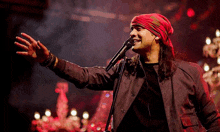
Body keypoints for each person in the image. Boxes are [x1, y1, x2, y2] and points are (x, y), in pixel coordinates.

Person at [15, 13, 220, 132]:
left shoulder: (189, 72)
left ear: (157, 35)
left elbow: (212, 119)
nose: (132, 33)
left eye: (139, 29)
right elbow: (86, 76)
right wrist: (49, 59)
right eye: (131, 29)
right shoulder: (125, 69)